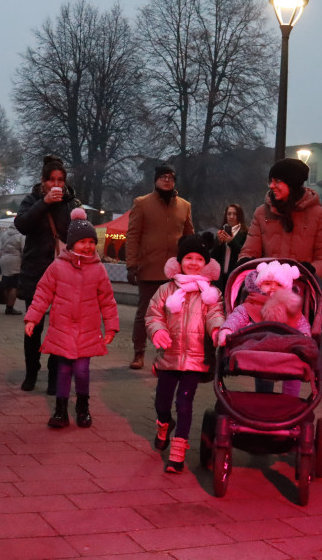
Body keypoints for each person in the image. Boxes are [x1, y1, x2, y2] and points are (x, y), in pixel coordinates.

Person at [24, 209, 119, 429]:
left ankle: (83, 407)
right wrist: (32, 318)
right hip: (63, 328)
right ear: (71, 244)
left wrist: (111, 327)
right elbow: (43, 293)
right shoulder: (57, 267)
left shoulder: (98, 270)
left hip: (87, 330)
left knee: (82, 370)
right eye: (82, 242)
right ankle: (60, 410)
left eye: (91, 242)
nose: (87, 246)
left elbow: (107, 300)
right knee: (64, 370)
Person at [145, 233, 223, 473]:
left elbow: (215, 314)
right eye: (188, 258)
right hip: (169, 356)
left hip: (195, 358)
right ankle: (164, 424)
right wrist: (158, 330)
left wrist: (217, 329)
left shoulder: (210, 293)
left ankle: (178, 452)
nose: (193, 263)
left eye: (199, 259)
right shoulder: (166, 290)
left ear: (206, 263)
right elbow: (154, 315)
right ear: (180, 261)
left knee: (184, 402)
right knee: (162, 401)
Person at [15, 155, 81, 392]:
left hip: (63, 273)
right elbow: (22, 224)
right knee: (33, 326)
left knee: (60, 327)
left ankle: (55, 374)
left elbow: (79, 234)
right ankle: (31, 372)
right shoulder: (32, 200)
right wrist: (43, 203)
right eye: (52, 180)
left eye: (60, 180)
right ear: (43, 181)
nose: (56, 184)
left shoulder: (72, 203)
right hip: (36, 271)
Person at [125, 164, 195, 370]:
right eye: (163, 177)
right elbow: (133, 236)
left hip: (174, 272)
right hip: (148, 268)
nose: (167, 180)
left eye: (170, 177)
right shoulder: (142, 204)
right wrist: (131, 265)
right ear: (155, 180)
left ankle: (167, 354)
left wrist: (192, 264)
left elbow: (189, 237)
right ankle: (139, 352)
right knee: (144, 314)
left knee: (173, 315)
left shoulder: (184, 206)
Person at [216, 260, 312, 398]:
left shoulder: (292, 308)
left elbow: (301, 323)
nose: (272, 288)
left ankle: (291, 398)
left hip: (287, 348)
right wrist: (227, 330)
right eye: (267, 284)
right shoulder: (251, 304)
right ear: (259, 285)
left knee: (297, 361)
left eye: (278, 285)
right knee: (260, 363)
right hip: (258, 346)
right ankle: (263, 396)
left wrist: (305, 336)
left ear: (287, 288)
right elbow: (236, 317)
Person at [240, 158, 322, 281]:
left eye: (277, 181)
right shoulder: (262, 213)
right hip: (267, 286)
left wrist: (305, 272)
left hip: (301, 287)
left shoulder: (319, 216)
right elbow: (249, 251)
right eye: (270, 181)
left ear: (292, 184)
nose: (272, 186)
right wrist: (245, 263)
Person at [212, 203, 247, 292]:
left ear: (239, 216)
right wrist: (219, 243)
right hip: (221, 277)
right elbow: (213, 257)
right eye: (229, 214)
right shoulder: (221, 232)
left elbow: (245, 255)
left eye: (235, 214)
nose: (231, 217)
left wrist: (231, 242)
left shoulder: (246, 233)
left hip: (237, 276)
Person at [0, 224, 24, 315]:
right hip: (15, 260)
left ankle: (6, 303)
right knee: (14, 285)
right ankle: (10, 307)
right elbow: (23, 249)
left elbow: (0, 246)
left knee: (6, 283)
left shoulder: (5, 234)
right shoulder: (21, 235)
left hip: (4, 259)